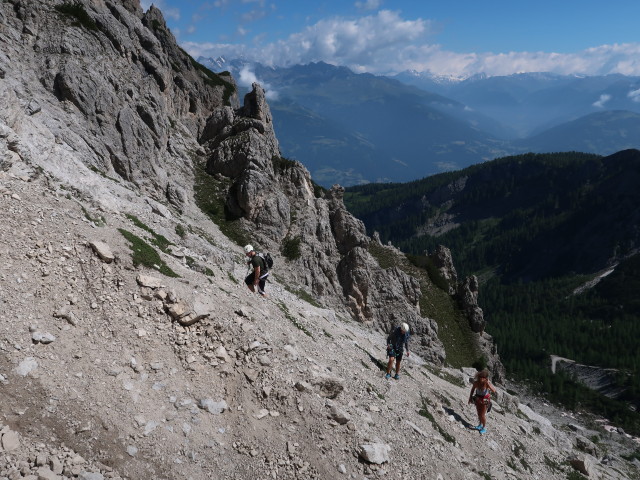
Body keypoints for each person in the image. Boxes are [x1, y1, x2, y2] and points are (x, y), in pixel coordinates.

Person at [468, 369, 497, 434]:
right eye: (481, 377)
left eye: (483, 377)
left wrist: (489, 384)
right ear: (478, 377)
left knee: (482, 414)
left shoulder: (487, 383)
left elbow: (494, 391)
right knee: (479, 413)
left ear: (485, 378)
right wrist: (470, 398)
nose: (482, 378)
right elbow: (472, 390)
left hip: (486, 399)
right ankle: (480, 425)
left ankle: (484, 428)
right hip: (478, 397)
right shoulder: (476, 383)